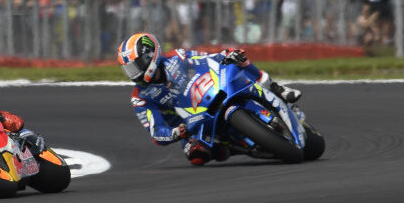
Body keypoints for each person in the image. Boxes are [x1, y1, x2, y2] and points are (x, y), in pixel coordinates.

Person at [117, 32, 303, 166]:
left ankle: (278, 89)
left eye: (136, 65)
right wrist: (177, 132)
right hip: (191, 126)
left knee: (235, 56)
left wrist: (226, 56)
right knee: (197, 156)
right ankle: (234, 147)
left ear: (150, 56)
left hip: (209, 91)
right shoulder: (140, 97)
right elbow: (157, 132)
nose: (134, 73)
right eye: (129, 69)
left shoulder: (177, 56)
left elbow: (207, 58)